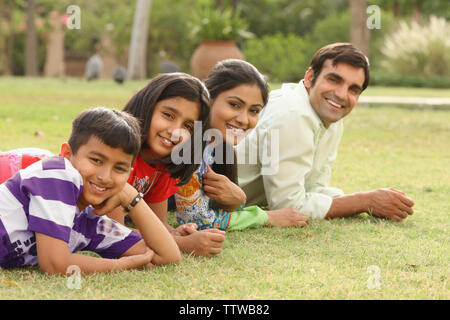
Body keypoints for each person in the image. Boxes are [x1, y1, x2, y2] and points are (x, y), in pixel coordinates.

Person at [236, 43, 415, 221]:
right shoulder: (293, 114)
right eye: (334, 80)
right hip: (210, 203)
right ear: (310, 77)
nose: (342, 95)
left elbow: (312, 188)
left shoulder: (328, 117)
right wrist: (365, 201)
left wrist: (363, 200)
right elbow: (287, 205)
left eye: (353, 89)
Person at [0, 107, 181, 274]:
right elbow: (54, 263)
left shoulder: (91, 222)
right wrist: (119, 265)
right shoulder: (57, 174)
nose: (105, 176)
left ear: (129, 174)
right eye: (96, 160)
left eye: (119, 168)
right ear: (67, 154)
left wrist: (131, 196)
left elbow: (168, 257)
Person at [174, 59, 308, 241]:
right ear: (209, 98)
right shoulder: (189, 142)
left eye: (254, 111)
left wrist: (236, 200)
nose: (244, 119)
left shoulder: (214, 146)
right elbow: (199, 220)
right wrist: (266, 217)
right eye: (234, 105)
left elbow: (212, 208)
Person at [104, 73, 227, 257]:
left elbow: (158, 222)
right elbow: (114, 232)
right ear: (147, 106)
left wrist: (174, 232)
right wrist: (182, 244)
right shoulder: (117, 152)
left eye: (188, 126)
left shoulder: (162, 165)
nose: (175, 131)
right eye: (168, 115)